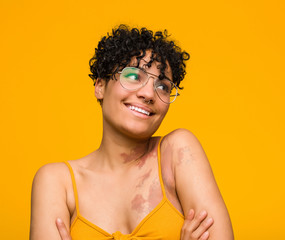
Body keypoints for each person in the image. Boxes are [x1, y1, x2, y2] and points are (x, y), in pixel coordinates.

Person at [30, 25, 234, 240]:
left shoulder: (178, 152)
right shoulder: (56, 182)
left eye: (162, 86)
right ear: (100, 86)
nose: (149, 93)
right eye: (134, 76)